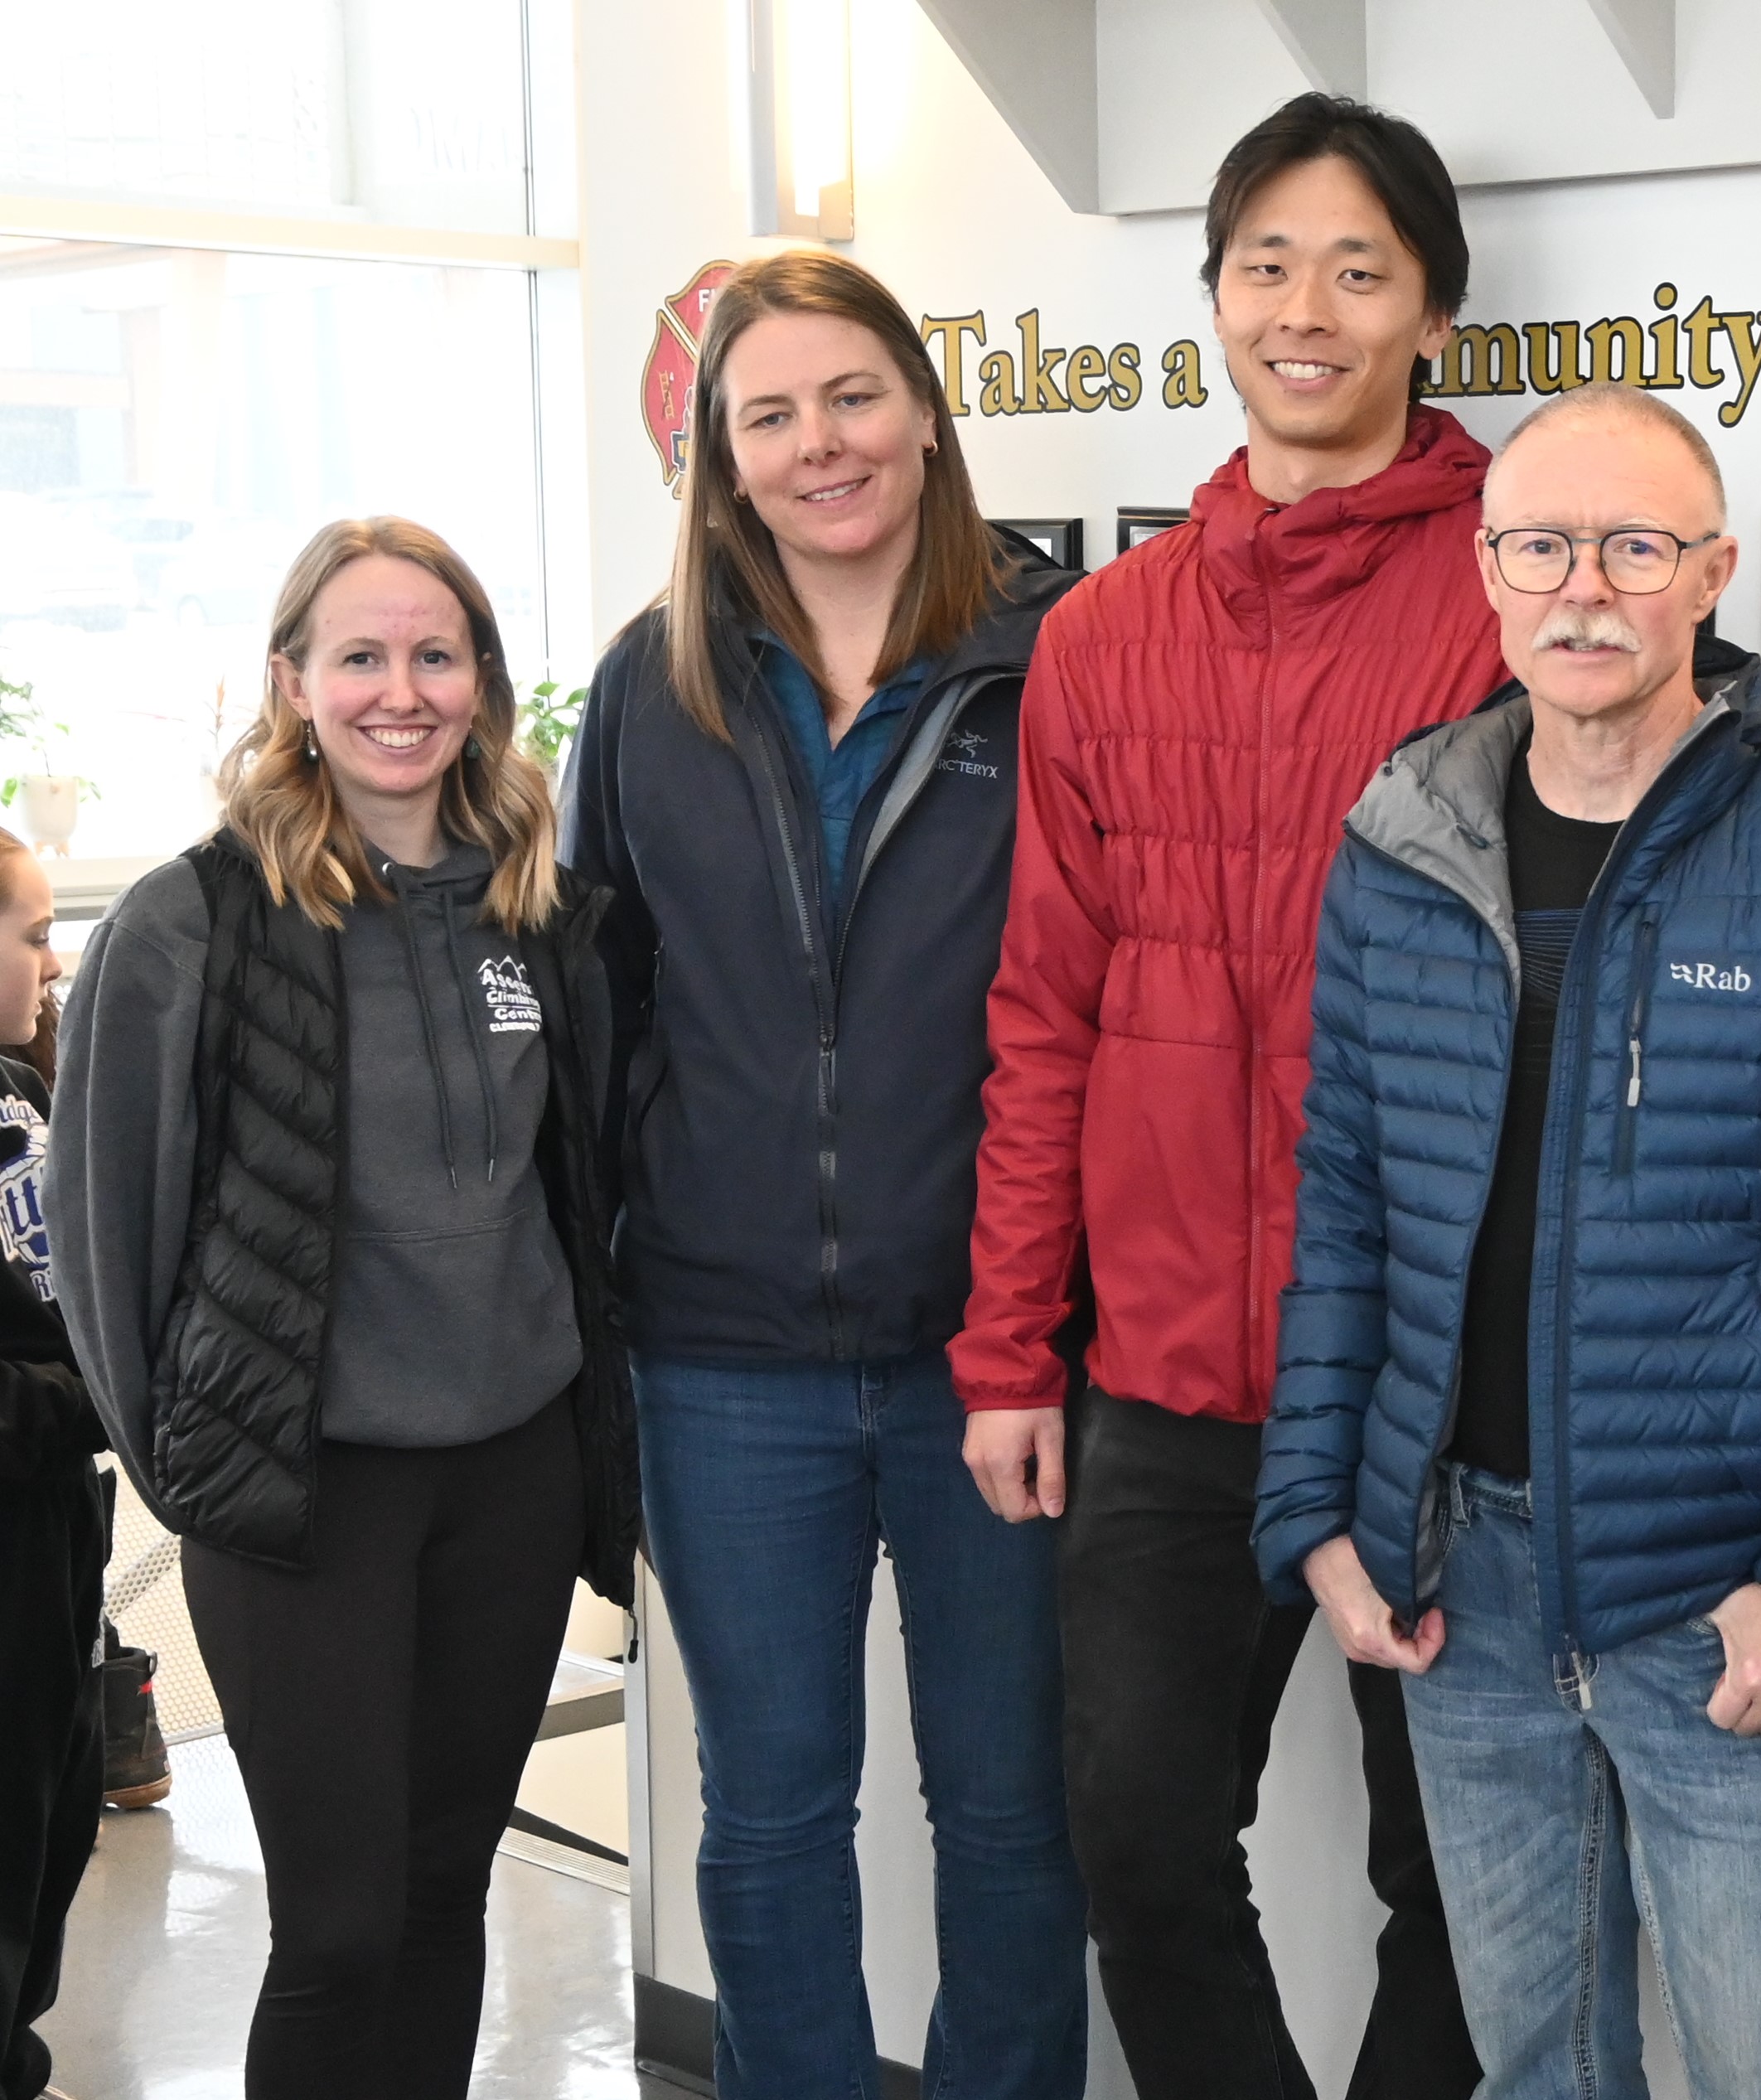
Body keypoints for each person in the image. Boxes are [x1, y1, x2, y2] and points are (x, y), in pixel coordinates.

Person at [1254, 382, 1761, 2099]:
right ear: (1488, 577)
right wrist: (1317, 1511)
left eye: (1636, 547)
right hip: (1456, 1577)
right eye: (1544, 545)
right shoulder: (1403, 832)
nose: (1586, 587)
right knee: (1533, 2068)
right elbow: (1344, 1196)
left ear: (1710, 572)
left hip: (1711, 1596)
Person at [952, 93, 1502, 2099]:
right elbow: (1043, 1012)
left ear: (1432, 314)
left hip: (1430, 1383)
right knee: (1141, 1845)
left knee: (1461, 1872)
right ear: (1211, 297)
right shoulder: (1100, 636)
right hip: (1165, 1372)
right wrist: (1015, 1344)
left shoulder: (1511, 596)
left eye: (1360, 268)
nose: (1307, 306)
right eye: (1267, 262)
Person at [562, 251, 1087, 2100]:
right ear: (719, 455)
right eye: (766, 414)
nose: (817, 444)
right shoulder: (652, 685)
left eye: (849, 395)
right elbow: (595, 1005)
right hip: (721, 1355)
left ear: (926, 411)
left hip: (995, 1354)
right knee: (771, 1817)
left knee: (1013, 1812)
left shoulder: (1058, 660)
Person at [50, 517, 637, 2100]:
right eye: (360, 656)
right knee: (337, 1930)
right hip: (303, 1495)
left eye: (434, 654)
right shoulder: (195, 923)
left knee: (449, 1895)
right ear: (291, 683)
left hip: (511, 1477)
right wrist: (193, 1472)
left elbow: (578, 1192)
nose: (400, 690)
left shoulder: (538, 912)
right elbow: (109, 1238)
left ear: (483, 687)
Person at [0, 830, 97, 2100]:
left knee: (49, 1799)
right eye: (31, 933)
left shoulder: (24, 1088)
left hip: (49, 1519)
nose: (54, 954)